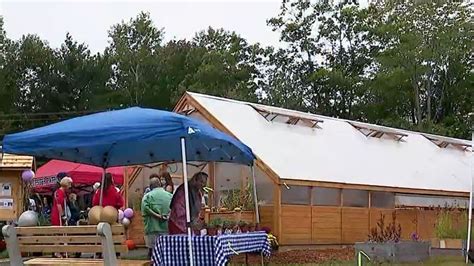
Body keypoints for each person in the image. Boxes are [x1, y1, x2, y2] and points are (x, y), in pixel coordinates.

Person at [141, 177, 172, 258]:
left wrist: (157, 215)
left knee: (153, 254)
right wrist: (167, 216)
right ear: (160, 184)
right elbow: (174, 209)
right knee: (165, 253)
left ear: (150, 186)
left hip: (152, 228)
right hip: (166, 228)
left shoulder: (147, 196)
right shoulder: (170, 195)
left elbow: (145, 208)